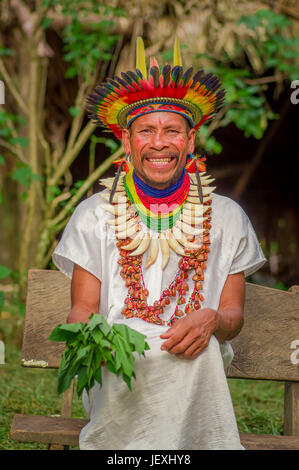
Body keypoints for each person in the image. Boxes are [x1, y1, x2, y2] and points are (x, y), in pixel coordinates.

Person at [52, 37, 266, 450]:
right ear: (127, 141)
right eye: (145, 130)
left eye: (172, 130)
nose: (159, 142)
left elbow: (233, 314)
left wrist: (212, 321)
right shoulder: (95, 215)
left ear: (189, 141)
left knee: (198, 355)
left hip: (196, 362)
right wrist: (86, 342)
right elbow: (82, 307)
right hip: (117, 364)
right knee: (131, 352)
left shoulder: (226, 216)